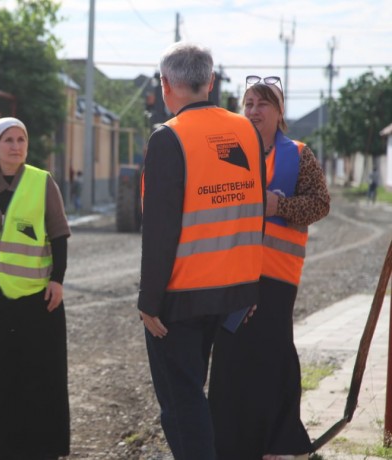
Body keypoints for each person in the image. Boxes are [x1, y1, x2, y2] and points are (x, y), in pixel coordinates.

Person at [137, 42, 266, 460]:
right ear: (209, 82)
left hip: (181, 299)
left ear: (165, 85)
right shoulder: (245, 131)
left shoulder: (168, 138)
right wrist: (250, 286)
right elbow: (255, 210)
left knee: (182, 405)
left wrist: (148, 301)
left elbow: (159, 230)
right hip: (232, 292)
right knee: (197, 395)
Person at [209, 75, 330, 460]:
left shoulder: (298, 154)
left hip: (276, 278)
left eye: (263, 104)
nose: (254, 111)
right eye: (248, 104)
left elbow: (321, 204)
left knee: (272, 357)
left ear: (279, 113)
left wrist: (281, 207)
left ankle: (277, 443)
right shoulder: (226, 152)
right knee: (229, 360)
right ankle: (229, 443)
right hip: (231, 275)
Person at [0, 117, 71, 460]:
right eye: (8, 140)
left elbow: (58, 234)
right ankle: (1, 446)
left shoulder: (42, 183)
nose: (15, 146)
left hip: (36, 297)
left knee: (40, 372)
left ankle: (44, 447)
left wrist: (58, 279)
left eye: (21, 139)